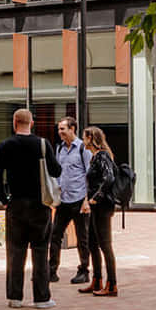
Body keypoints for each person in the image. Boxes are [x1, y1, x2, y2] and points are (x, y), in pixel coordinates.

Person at [0, 107, 61, 309]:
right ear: (31, 123)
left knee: (15, 251)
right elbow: (56, 170)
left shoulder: (6, 145)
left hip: (16, 204)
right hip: (40, 204)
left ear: (14, 123)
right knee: (40, 250)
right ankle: (42, 298)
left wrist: (4, 199)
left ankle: (15, 297)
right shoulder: (42, 144)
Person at [48, 114, 93, 285]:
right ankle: (51, 270)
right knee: (55, 235)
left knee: (83, 238)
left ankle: (84, 271)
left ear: (72, 129)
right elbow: (58, 172)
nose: (60, 132)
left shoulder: (83, 149)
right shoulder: (59, 149)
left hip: (79, 199)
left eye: (62, 129)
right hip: (64, 200)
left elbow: (89, 175)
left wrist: (87, 200)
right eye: (59, 129)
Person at [79, 126, 119, 296]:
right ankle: (97, 280)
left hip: (103, 207)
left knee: (105, 245)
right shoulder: (95, 157)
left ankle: (112, 284)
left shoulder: (102, 155)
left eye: (84, 137)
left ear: (91, 138)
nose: (82, 141)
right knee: (93, 244)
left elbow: (109, 177)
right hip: (95, 206)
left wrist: (97, 196)